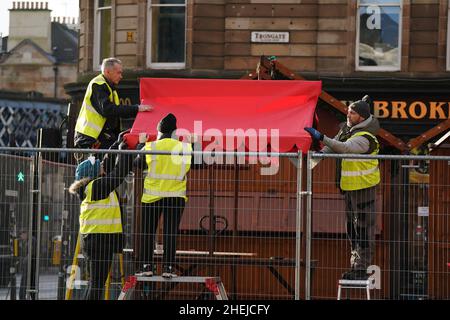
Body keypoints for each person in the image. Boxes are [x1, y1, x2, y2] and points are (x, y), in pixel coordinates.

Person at [304, 95, 380, 280]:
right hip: (349, 188)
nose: (348, 114)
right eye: (348, 110)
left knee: (363, 230)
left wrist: (321, 137)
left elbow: (344, 148)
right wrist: (317, 155)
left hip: (364, 188)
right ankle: (355, 266)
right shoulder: (348, 130)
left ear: (361, 117)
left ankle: (362, 269)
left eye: (352, 112)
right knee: (352, 230)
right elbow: (333, 147)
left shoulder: (365, 138)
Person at [69, 138, 135, 300]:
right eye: (100, 167)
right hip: (99, 240)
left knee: (96, 282)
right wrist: (122, 151)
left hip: (97, 239)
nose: (103, 167)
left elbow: (107, 161)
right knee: (97, 284)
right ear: (93, 174)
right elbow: (120, 173)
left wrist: (115, 145)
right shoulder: (97, 186)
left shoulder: (92, 186)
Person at [135, 113, 192, 278]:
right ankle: (168, 268)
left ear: (159, 131)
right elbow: (199, 163)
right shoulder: (184, 147)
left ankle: (146, 266)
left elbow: (137, 163)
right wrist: (195, 144)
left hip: (151, 197)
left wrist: (140, 144)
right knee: (170, 232)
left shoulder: (150, 147)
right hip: (175, 197)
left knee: (148, 232)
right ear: (175, 131)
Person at [74, 57, 152, 151]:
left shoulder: (110, 88)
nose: (121, 76)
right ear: (107, 72)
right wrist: (136, 109)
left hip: (99, 137)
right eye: (118, 72)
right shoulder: (98, 85)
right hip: (89, 138)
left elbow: (115, 112)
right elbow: (108, 110)